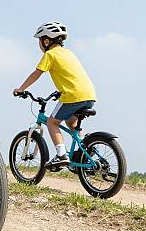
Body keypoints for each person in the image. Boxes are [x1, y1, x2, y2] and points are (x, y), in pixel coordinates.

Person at [13, 21, 96, 168]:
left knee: (52, 122)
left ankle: (61, 155)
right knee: (71, 122)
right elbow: (71, 75)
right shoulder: (69, 53)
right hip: (89, 94)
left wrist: (21, 88)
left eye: (39, 41)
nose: (39, 45)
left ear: (46, 41)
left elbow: (36, 74)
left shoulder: (50, 55)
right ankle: (82, 152)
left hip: (72, 96)